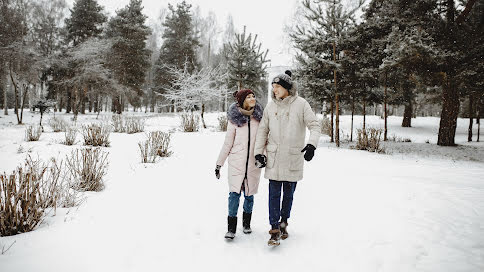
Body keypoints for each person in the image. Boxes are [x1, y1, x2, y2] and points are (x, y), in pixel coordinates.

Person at [254, 70, 320, 246]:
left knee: (288, 195)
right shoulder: (271, 106)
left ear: (287, 88)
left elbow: (314, 125)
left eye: (277, 87)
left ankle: (284, 221)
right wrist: (258, 153)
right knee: (273, 195)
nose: (274, 90)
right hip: (274, 158)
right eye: (273, 87)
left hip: (292, 157)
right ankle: (274, 229)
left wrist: (312, 144)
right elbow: (262, 130)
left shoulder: (301, 104)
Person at [216, 89, 264, 240]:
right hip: (236, 163)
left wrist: (263, 157)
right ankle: (231, 228)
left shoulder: (259, 119)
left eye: (253, 96)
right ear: (242, 100)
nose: (252, 98)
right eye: (248, 97)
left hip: (252, 163)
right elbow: (227, 143)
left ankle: (246, 223)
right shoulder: (234, 120)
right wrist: (219, 164)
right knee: (234, 195)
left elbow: (264, 141)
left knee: (249, 195)